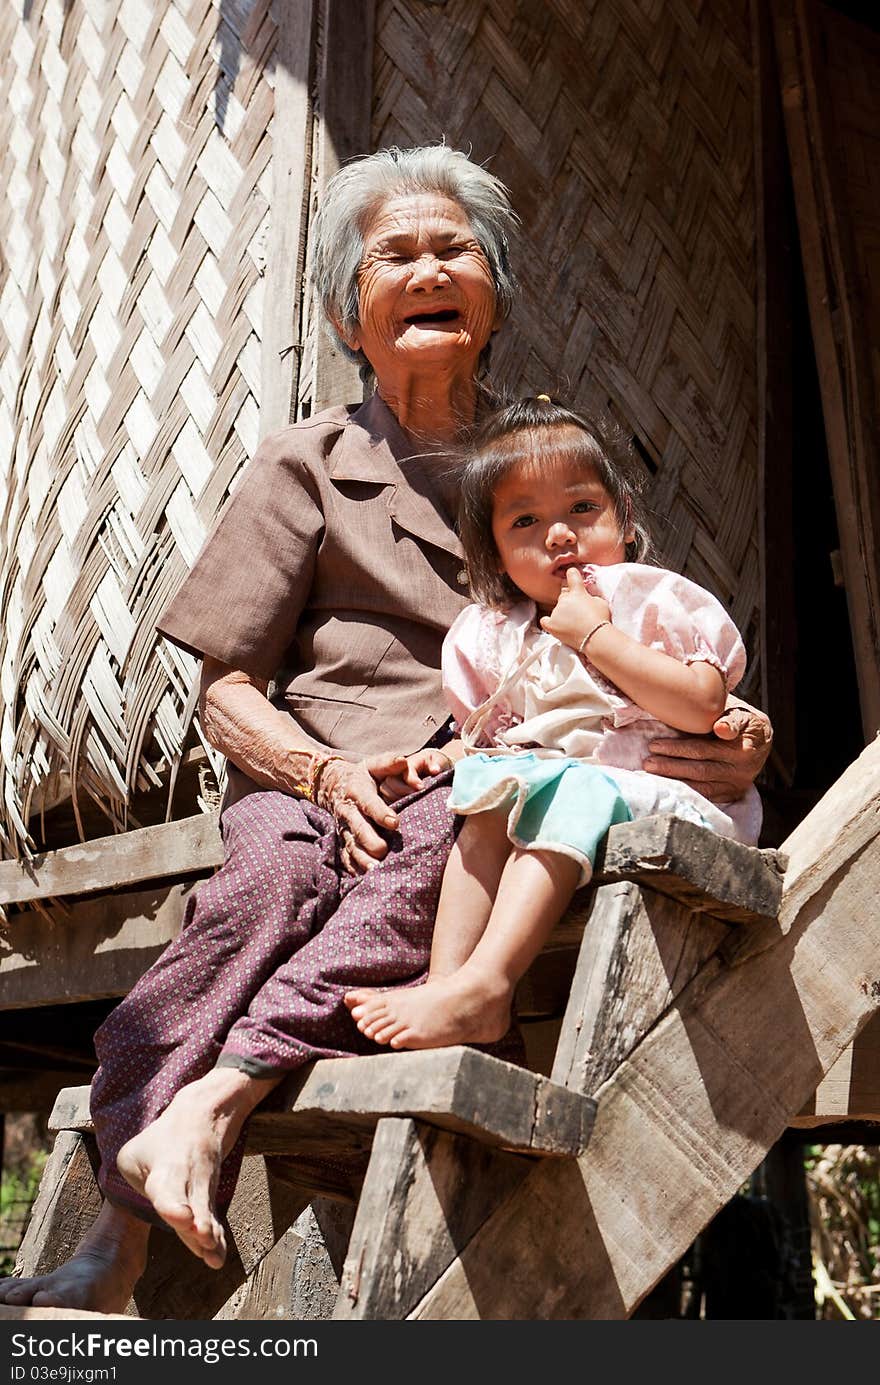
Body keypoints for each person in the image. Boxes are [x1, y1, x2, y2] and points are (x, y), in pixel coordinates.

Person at [0, 147, 772, 1315]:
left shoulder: (545, 464)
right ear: (344, 314)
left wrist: (737, 729)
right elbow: (225, 690)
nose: (428, 270)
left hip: (492, 771)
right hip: (318, 772)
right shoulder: (304, 462)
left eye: (454, 250)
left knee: (438, 843)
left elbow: (655, 627)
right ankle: (118, 1237)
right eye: (395, 255)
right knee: (263, 887)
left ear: (494, 298)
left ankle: (209, 1107)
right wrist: (321, 773)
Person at [345, 397, 762, 1050]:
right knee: (488, 791)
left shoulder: (651, 599)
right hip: (574, 789)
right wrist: (451, 760)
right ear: (496, 551)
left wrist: (595, 635)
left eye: (580, 509)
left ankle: (489, 982)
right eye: (526, 521)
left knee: (565, 786)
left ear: (623, 516)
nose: (559, 534)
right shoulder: (489, 634)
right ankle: (448, 987)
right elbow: (496, 737)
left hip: (675, 801)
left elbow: (701, 705)